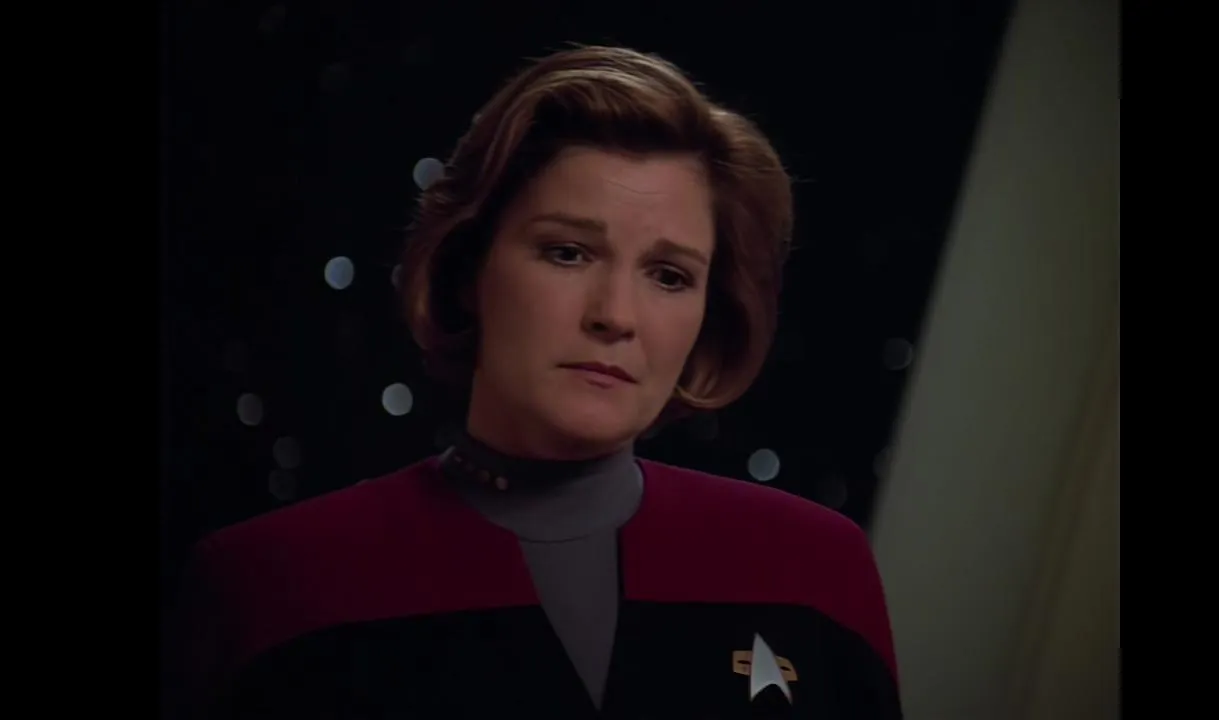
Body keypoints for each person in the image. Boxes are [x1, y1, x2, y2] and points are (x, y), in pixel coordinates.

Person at [170, 45, 901, 719]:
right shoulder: (269, 585)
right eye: (568, 253)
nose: (616, 316)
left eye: (669, 275)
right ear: (468, 267)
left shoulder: (813, 571)